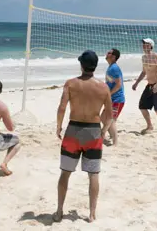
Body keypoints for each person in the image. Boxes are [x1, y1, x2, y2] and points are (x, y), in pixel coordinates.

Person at [54, 50, 113, 223]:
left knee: (65, 173)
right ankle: (92, 214)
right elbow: (109, 114)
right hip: (93, 132)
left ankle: (59, 211)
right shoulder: (103, 87)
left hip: (73, 131)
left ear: (81, 65)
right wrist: (103, 131)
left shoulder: (71, 84)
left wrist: (59, 126)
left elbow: (62, 108)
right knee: (93, 174)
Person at [132, 38, 157, 134]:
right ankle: (149, 126)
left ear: (151, 46)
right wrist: (136, 83)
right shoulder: (144, 57)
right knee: (142, 106)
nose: (144, 45)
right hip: (149, 85)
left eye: (146, 44)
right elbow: (144, 72)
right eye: (143, 44)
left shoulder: (156, 57)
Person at [103, 48, 125, 145]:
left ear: (113, 56)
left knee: (110, 120)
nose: (106, 53)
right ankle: (111, 135)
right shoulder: (111, 67)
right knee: (103, 117)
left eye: (109, 52)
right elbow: (111, 82)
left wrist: (109, 94)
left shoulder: (114, 68)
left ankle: (115, 142)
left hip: (117, 99)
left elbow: (118, 84)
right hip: (112, 99)